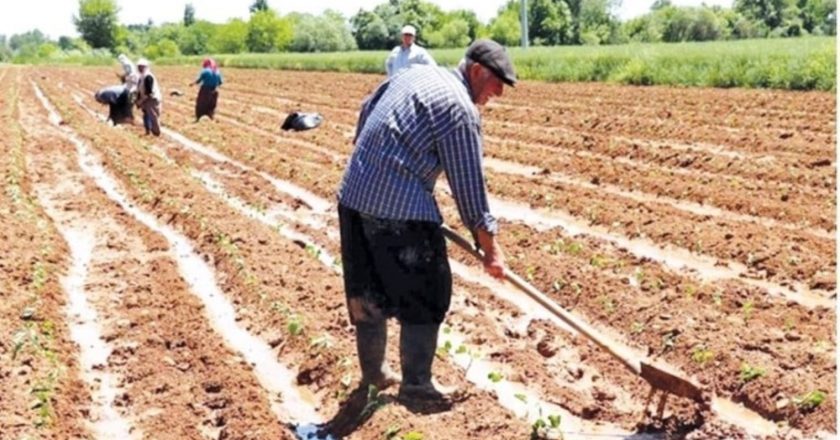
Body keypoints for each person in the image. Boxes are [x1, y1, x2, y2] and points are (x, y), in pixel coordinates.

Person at [337, 39, 516, 404]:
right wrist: (491, 248)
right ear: (477, 70)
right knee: (427, 291)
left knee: (367, 294)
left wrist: (371, 162)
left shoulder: (414, 74)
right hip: (398, 206)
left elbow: (365, 107)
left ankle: (375, 377)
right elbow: (469, 187)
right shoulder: (460, 109)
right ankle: (417, 388)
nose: (498, 91)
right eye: (497, 81)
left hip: (353, 195)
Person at [135, 58, 162, 136]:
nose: (139, 68)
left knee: (153, 116)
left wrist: (140, 101)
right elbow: (140, 89)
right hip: (146, 99)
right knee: (146, 114)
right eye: (139, 66)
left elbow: (149, 92)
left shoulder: (148, 77)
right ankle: (148, 131)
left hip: (152, 99)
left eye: (141, 66)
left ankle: (156, 133)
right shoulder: (142, 76)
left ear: (146, 67)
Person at [192, 57, 223, 122]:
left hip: (205, 90)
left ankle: (199, 118)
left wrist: (193, 83)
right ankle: (211, 117)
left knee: (201, 105)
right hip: (214, 91)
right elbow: (220, 82)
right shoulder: (217, 71)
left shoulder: (205, 71)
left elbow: (199, 80)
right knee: (211, 106)